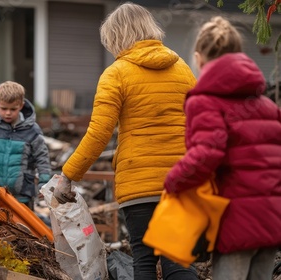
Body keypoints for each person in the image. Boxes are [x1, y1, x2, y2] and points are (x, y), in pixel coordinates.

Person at [52, 2, 198, 279]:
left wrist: (69, 174)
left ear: (116, 36)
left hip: (139, 185)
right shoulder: (183, 69)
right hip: (183, 182)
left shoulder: (116, 73)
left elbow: (99, 132)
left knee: (143, 259)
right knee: (179, 261)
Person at [164, 16, 281, 280]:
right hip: (272, 220)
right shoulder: (268, 106)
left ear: (199, 58)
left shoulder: (205, 102)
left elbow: (207, 153)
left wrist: (173, 181)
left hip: (235, 221)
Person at [0, 81, 52, 210]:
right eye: (4, 108)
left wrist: (44, 183)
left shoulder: (32, 130)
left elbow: (42, 158)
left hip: (23, 195)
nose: (8, 113)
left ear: (21, 106)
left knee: (23, 228)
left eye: (13, 109)